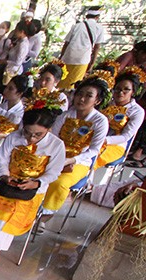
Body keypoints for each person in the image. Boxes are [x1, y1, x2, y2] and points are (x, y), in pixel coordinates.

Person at [0, 96, 66, 271]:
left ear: (49, 129)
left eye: (38, 134)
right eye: (27, 132)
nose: (31, 138)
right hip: (6, 184)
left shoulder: (56, 145)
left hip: (32, 190)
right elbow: (2, 160)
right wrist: (5, 176)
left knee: (8, 213)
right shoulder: (14, 137)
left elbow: (54, 172)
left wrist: (36, 183)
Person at [42, 74, 111, 222]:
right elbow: (53, 138)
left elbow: (93, 150)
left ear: (97, 101)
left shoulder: (100, 121)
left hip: (80, 162)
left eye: (88, 96)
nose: (82, 99)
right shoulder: (66, 115)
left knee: (60, 182)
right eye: (80, 94)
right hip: (57, 155)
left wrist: (72, 159)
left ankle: (46, 215)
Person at [96, 67, 145, 167]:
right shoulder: (106, 103)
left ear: (133, 92)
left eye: (126, 89)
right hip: (94, 138)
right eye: (118, 89)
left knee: (93, 157)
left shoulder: (137, 111)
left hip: (116, 145)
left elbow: (126, 136)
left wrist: (105, 140)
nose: (121, 92)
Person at [59, 6, 106, 89]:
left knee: (61, 81)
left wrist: (61, 57)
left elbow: (66, 43)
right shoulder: (99, 28)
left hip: (68, 57)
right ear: (97, 17)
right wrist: (92, 63)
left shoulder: (77, 26)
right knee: (73, 84)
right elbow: (97, 47)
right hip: (82, 59)